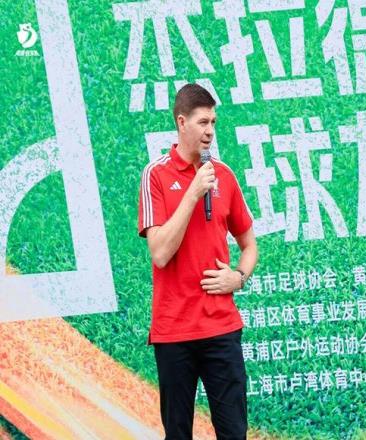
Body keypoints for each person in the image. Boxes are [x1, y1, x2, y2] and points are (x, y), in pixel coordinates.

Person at [138, 83, 258, 439]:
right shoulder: (156, 175)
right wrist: (192, 193)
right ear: (181, 122)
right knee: (178, 433)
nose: (210, 131)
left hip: (221, 327)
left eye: (213, 122)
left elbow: (249, 245)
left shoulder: (224, 175)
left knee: (234, 432)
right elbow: (160, 253)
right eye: (203, 122)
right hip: (174, 330)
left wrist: (238, 277)